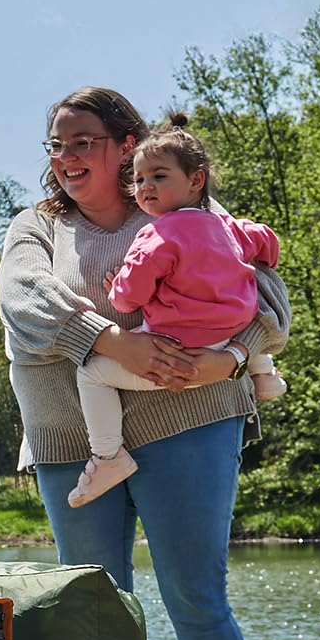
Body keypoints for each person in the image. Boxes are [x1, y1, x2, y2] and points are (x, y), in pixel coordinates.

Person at [0, 86, 290, 640]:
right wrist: (108, 339)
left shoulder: (185, 211)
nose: (67, 156)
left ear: (127, 146)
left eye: (84, 142)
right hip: (72, 437)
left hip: (192, 420)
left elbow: (269, 304)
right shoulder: (35, 227)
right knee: (93, 609)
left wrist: (231, 358)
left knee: (195, 595)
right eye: (57, 145)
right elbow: (23, 305)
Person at [69, 113, 286, 507]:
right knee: (248, 303)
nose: (146, 187)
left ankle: (107, 455)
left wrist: (116, 287)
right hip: (227, 343)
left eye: (158, 176)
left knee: (92, 374)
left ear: (195, 180)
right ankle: (264, 373)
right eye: (138, 180)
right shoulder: (228, 227)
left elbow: (127, 297)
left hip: (176, 354)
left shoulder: (156, 234)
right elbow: (267, 243)